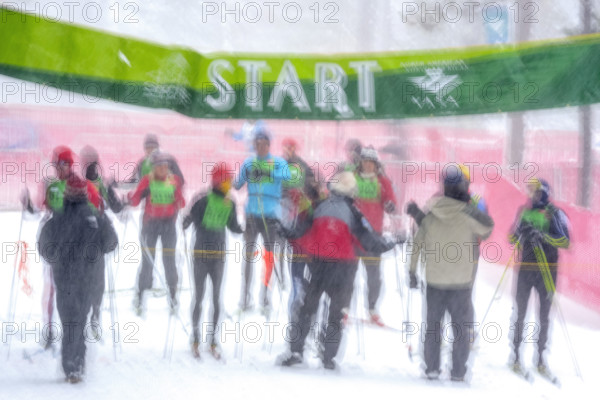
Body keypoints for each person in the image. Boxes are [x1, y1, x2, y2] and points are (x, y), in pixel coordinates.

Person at [278, 171, 400, 370]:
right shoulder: (354, 213)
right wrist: (391, 243)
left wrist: (285, 232)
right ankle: (328, 357)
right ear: (352, 192)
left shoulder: (318, 206)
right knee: (337, 313)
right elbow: (369, 241)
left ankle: (296, 350)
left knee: (307, 309)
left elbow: (299, 231)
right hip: (344, 269)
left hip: (318, 266)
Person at [408, 167, 494, 382]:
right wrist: (469, 205)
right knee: (461, 330)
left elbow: (417, 242)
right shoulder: (468, 212)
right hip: (461, 282)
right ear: (464, 186)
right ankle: (457, 370)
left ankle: (432, 368)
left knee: (433, 327)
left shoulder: (431, 209)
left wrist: (411, 271)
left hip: (435, 280)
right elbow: (488, 228)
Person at [38, 175, 118, 383]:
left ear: (66, 194)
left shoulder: (57, 218)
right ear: (84, 194)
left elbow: (44, 247)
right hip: (87, 279)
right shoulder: (96, 217)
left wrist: (57, 258)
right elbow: (111, 243)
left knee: (68, 323)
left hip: (64, 279)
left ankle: (70, 367)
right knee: (80, 322)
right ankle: (77, 366)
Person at [21, 146, 101, 349]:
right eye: (56, 164)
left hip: (76, 245)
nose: (59, 168)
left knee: (74, 289)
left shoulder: (82, 185)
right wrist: (28, 204)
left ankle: (75, 331)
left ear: (70, 165)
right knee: (51, 287)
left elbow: (97, 209)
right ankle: (48, 331)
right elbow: (38, 210)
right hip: (54, 243)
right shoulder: (50, 185)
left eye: (63, 164)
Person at [509, 178, 570, 378]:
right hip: (526, 269)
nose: (531, 195)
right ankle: (516, 354)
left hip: (547, 271)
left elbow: (565, 241)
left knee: (544, 315)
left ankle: (541, 357)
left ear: (543, 192)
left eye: (535, 192)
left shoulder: (555, 213)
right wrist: (522, 233)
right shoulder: (524, 211)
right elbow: (511, 237)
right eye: (530, 191)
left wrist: (543, 237)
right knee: (520, 313)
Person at [183, 163, 243, 359]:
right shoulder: (202, 199)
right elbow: (189, 218)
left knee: (217, 298)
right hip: (200, 253)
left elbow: (233, 227)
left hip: (218, 255)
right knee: (199, 296)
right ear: (217, 181)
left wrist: (244, 229)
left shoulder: (230, 202)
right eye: (226, 181)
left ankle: (214, 340)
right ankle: (195, 336)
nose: (230, 185)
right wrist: (185, 221)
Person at [235, 125, 289, 313]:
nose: (261, 148)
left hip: (271, 215)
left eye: (264, 144)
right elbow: (237, 184)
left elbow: (288, 177)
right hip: (252, 214)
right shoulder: (249, 163)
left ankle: (265, 297)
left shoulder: (278, 162)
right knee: (248, 257)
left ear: (269, 145)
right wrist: (242, 177)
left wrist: (267, 172)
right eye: (257, 144)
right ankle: (244, 297)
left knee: (268, 258)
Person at [128, 151, 186, 315]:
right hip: (150, 225)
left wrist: (177, 198)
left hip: (168, 225)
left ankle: (173, 297)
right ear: (153, 168)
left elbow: (181, 203)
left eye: (166, 166)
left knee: (169, 262)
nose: (163, 169)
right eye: (160, 166)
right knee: (147, 262)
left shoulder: (172, 180)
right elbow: (135, 200)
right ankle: (140, 297)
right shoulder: (148, 180)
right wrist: (132, 197)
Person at [80, 145, 124, 333]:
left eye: (93, 161)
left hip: (96, 236)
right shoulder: (77, 184)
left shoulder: (101, 183)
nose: (91, 165)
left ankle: (95, 314)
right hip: (80, 235)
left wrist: (113, 192)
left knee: (97, 280)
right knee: (83, 279)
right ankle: (83, 315)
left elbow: (116, 207)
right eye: (87, 161)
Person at [353, 146, 397, 325]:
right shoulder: (353, 178)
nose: (368, 166)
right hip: (354, 233)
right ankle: (343, 307)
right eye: (365, 162)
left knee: (373, 275)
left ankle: (371, 308)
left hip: (374, 235)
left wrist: (390, 205)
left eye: (371, 162)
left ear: (376, 164)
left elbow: (391, 200)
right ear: (361, 163)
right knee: (348, 272)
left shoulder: (382, 181)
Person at [280, 137, 320, 317]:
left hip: (298, 214)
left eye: (291, 147)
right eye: (286, 147)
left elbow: (311, 181)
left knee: (302, 277)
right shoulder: (281, 164)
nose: (288, 150)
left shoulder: (302, 165)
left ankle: (300, 296)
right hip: (289, 209)